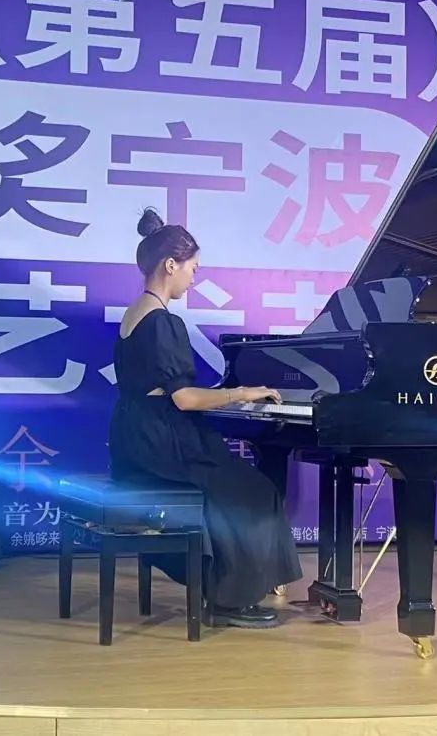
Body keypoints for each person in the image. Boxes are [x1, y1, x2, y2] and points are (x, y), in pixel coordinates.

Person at [108, 207, 304, 628]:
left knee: (236, 488)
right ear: (171, 265)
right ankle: (230, 599)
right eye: (193, 269)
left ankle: (228, 584)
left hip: (135, 435)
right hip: (162, 440)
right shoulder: (163, 322)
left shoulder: (134, 313)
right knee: (253, 492)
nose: (193, 279)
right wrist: (241, 394)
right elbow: (183, 399)